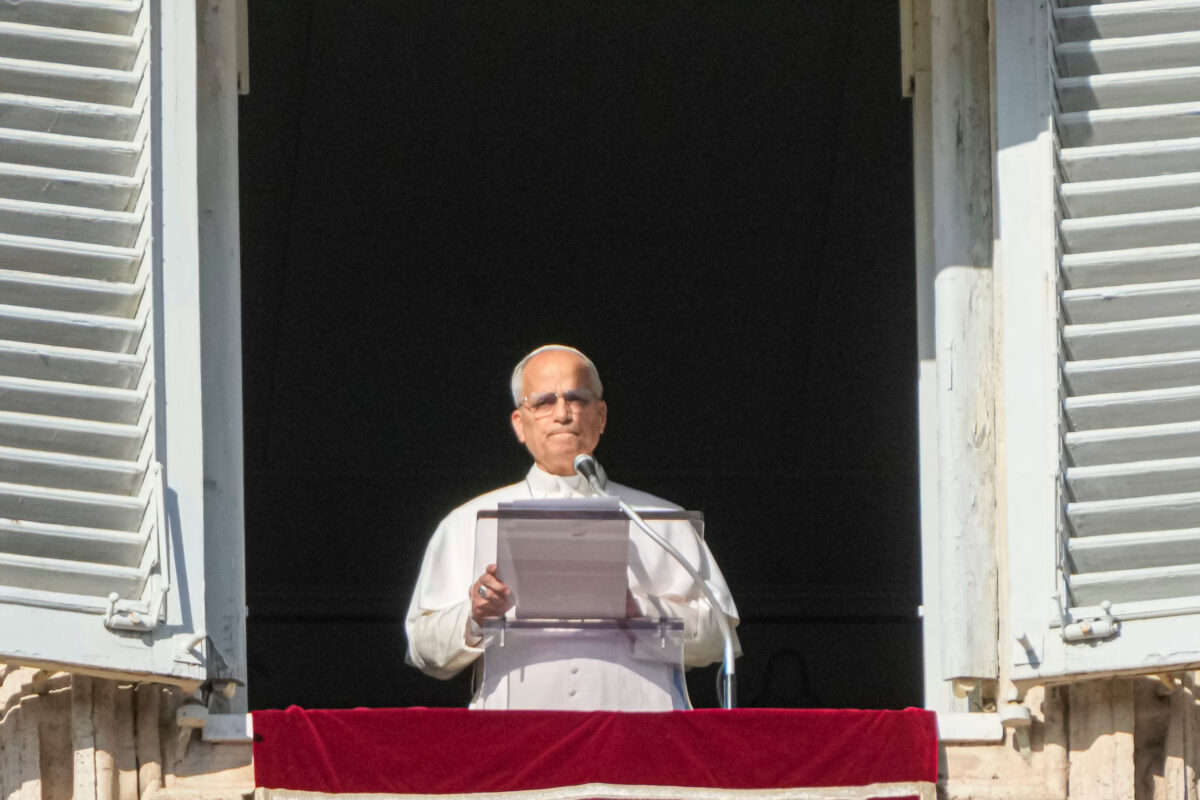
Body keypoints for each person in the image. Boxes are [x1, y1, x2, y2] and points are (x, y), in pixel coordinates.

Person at [405, 345, 740, 710]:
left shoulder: (660, 520)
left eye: (577, 399)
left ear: (601, 416)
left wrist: (638, 610)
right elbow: (423, 650)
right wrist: (476, 615)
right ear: (520, 423)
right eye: (545, 401)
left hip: (639, 741)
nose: (562, 414)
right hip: (518, 740)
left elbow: (719, 640)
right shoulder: (467, 520)